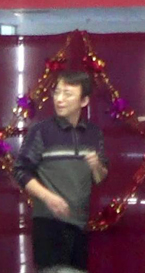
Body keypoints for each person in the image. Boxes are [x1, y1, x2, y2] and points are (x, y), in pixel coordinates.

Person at [14, 71, 109, 272]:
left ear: (84, 101)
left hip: (80, 223)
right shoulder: (41, 131)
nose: (59, 99)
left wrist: (96, 166)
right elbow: (21, 171)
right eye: (57, 92)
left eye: (67, 94)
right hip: (48, 223)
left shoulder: (93, 133)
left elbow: (100, 178)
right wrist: (48, 197)